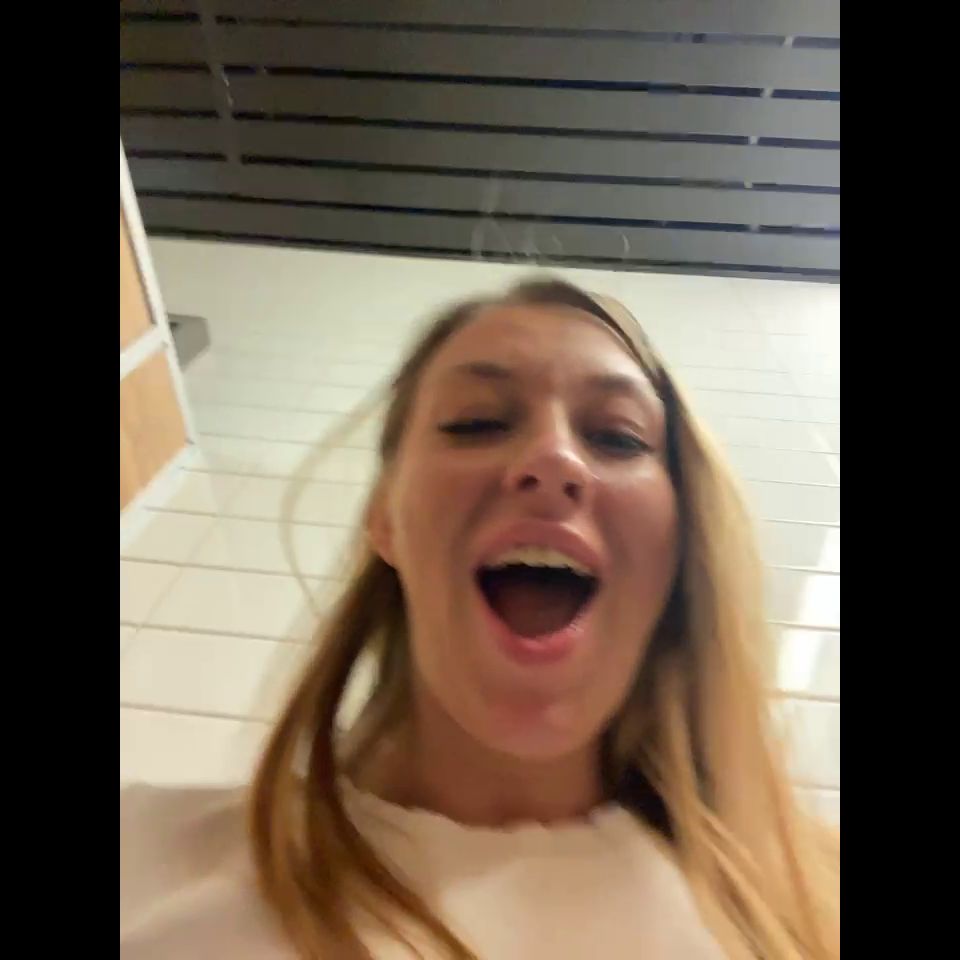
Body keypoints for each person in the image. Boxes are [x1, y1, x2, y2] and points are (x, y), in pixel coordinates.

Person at [120, 278, 840, 959]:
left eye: (618, 437)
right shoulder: (144, 866)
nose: (554, 458)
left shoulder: (809, 895)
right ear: (385, 519)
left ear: (679, 542)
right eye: (477, 423)